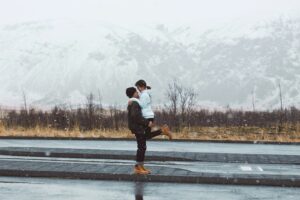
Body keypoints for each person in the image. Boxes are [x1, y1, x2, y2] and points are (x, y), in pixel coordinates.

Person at [126, 87, 171, 175]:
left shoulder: (134, 102)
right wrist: (147, 123)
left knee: (145, 140)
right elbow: (136, 116)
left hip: (138, 127)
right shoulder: (134, 102)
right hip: (138, 127)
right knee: (142, 147)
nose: (138, 93)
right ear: (133, 93)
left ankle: (140, 166)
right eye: (136, 92)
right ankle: (138, 167)